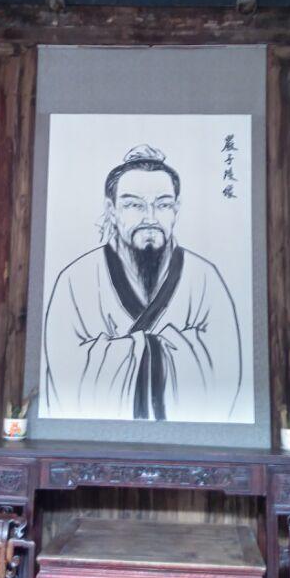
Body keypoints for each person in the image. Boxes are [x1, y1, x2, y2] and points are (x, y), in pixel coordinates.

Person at [40, 145, 242, 422]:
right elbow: (67, 372)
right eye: (134, 205)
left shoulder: (205, 278)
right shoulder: (75, 280)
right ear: (111, 210)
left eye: (163, 204)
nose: (150, 217)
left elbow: (223, 367)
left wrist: (128, 351)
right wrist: (161, 350)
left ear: (177, 209)